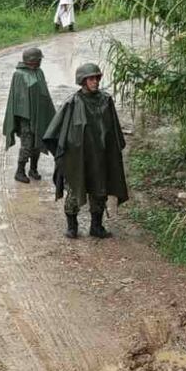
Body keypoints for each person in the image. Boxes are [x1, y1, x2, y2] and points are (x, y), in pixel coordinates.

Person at [43, 63, 129, 239]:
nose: (95, 81)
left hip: (100, 157)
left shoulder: (106, 100)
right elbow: (54, 133)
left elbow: (114, 132)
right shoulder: (72, 103)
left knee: (100, 192)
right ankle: (72, 226)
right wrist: (64, 157)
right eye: (91, 78)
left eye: (97, 78)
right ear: (82, 80)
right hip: (78, 158)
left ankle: (96, 226)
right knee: (75, 193)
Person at [3, 47, 56, 184]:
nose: (40, 62)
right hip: (25, 118)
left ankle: (33, 169)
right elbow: (19, 100)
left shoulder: (39, 72)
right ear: (31, 61)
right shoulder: (19, 75)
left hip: (39, 115)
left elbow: (44, 94)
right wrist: (25, 117)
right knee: (27, 145)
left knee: (37, 143)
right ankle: (19, 171)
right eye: (38, 60)